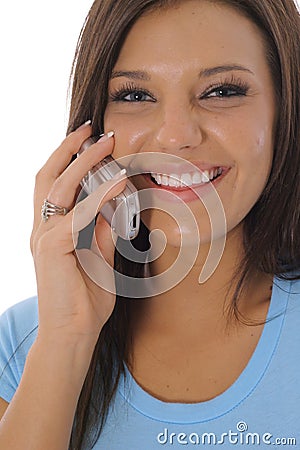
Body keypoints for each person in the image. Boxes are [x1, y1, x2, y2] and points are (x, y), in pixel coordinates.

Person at [0, 0, 299, 448]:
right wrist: (66, 339)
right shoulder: (24, 343)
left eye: (221, 91)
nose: (176, 135)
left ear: (285, 108)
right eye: (135, 96)